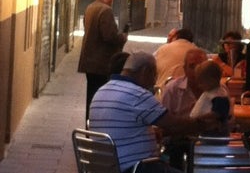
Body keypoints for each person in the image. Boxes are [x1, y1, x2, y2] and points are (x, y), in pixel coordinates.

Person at [89, 51, 220, 173]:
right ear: (145, 71)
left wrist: (152, 132)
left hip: (107, 167)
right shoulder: (137, 94)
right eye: (154, 75)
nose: (153, 81)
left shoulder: (102, 91)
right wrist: (204, 123)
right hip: (135, 168)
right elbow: (174, 124)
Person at [78, 0, 128, 121]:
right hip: (101, 63)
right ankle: (96, 124)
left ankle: (89, 124)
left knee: (91, 95)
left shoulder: (90, 7)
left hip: (89, 62)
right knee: (99, 96)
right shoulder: (105, 10)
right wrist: (122, 37)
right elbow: (109, 36)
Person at [160, 48, 212, 168]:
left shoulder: (218, 91)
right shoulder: (172, 89)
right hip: (178, 141)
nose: (197, 71)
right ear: (184, 69)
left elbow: (227, 123)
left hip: (209, 140)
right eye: (192, 66)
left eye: (201, 65)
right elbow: (164, 125)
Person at [190, 60, 230, 136]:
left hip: (214, 131)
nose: (199, 85)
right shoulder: (210, 92)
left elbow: (217, 113)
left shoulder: (219, 96)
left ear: (212, 80)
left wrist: (201, 117)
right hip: (204, 129)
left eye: (201, 82)